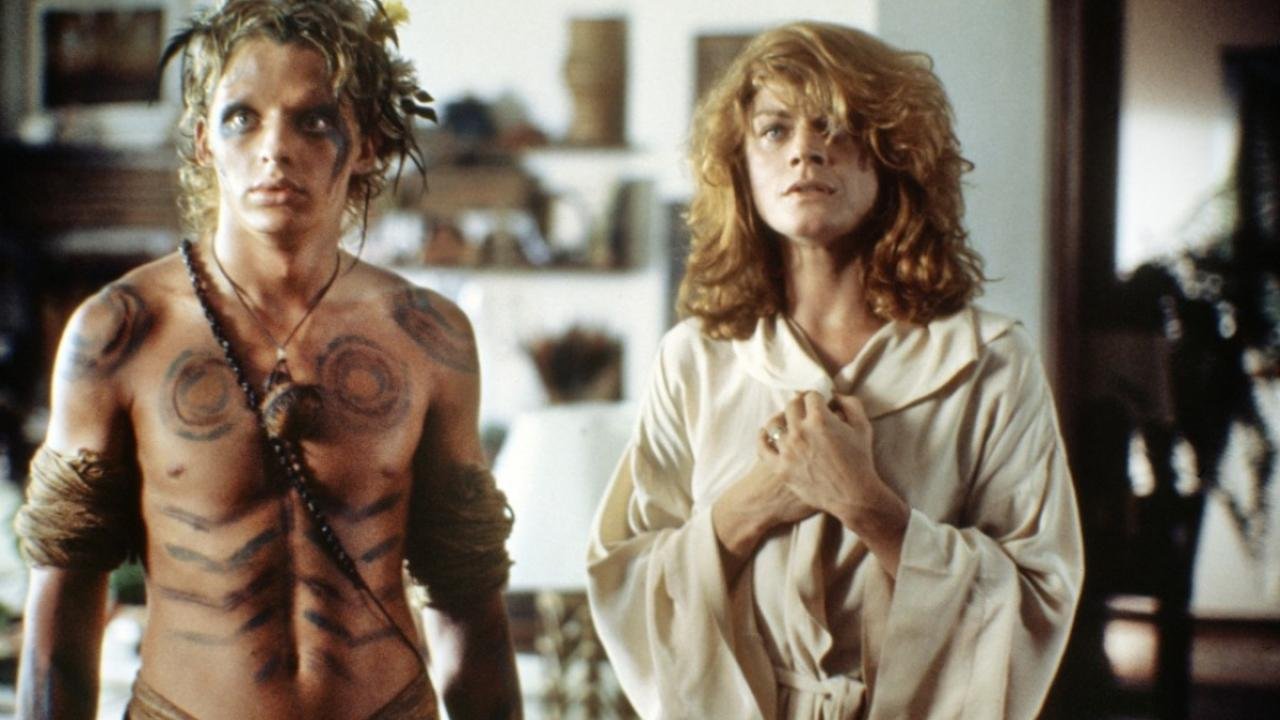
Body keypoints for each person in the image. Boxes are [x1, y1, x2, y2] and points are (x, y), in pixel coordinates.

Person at [13, 1, 520, 718]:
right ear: (202, 140)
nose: (274, 148)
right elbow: (62, 614)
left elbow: (468, 598)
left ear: (368, 143)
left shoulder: (427, 337)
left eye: (313, 120)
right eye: (242, 118)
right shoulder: (120, 333)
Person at [586, 21, 1083, 720]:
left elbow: (1037, 594)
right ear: (740, 165)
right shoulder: (694, 359)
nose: (805, 151)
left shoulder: (989, 363)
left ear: (894, 155)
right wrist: (759, 498)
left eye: (836, 126)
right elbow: (629, 579)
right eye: (775, 129)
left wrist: (867, 506)